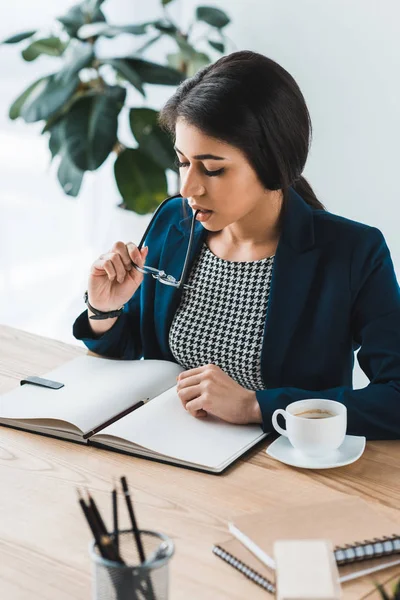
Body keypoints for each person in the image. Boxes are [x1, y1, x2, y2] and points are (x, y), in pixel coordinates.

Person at [73, 50, 400, 439]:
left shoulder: (352, 253)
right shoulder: (173, 224)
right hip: (161, 456)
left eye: (213, 169)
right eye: (182, 162)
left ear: (272, 162)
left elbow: (395, 397)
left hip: (275, 477)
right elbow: (135, 354)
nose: (188, 188)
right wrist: (104, 311)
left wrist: (255, 406)